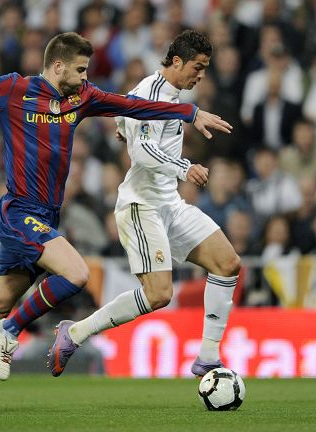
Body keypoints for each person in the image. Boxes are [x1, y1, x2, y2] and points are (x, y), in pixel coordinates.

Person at [0, 31, 232, 413]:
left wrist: (189, 113)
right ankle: (10, 331)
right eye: (80, 69)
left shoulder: (81, 97)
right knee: (76, 273)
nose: (86, 77)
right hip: (18, 212)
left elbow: (133, 105)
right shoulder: (13, 90)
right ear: (58, 66)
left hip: (45, 216)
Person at [46, 30, 241, 379]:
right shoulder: (149, 92)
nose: (201, 75)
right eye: (198, 67)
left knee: (228, 263)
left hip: (170, 203)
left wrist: (124, 126)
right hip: (141, 206)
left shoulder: (167, 94)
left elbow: (125, 118)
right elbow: (142, 152)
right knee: (158, 294)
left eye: (205, 68)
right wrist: (184, 167)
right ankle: (75, 333)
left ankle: (208, 357)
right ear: (177, 61)